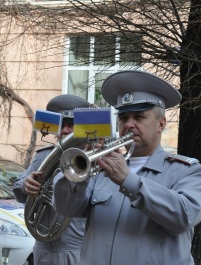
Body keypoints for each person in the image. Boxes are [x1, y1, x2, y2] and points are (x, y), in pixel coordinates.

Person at [53, 70, 201, 264]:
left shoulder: (187, 170)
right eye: (123, 118)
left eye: (139, 118)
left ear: (161, 124)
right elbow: (66, 208)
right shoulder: (103, 167)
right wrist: (79, 174)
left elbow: (184, 216)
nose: (129, 124)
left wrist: (128, 180)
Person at [13, 94, 91, 265]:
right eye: (62, 125)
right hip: (43, 249)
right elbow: (18, 187)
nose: (65, 131)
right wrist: (26, 185)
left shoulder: (91, 158)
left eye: (71, 125)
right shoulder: (44, 155)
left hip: (77, 251)